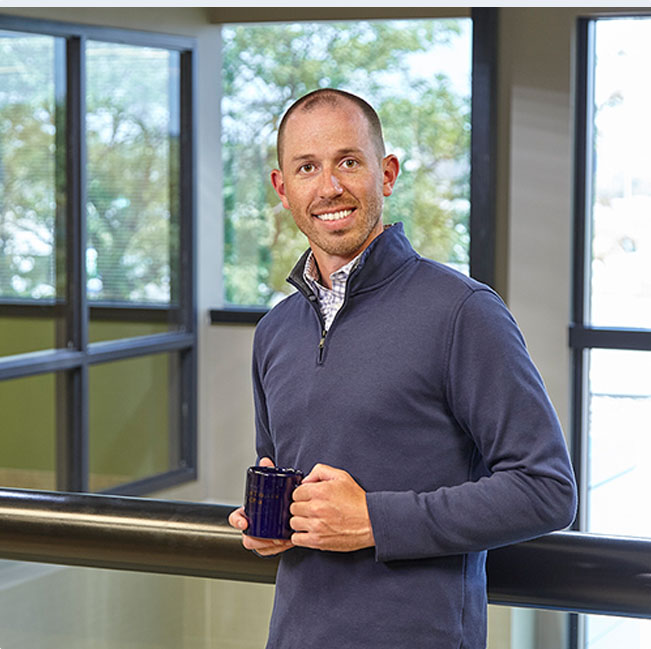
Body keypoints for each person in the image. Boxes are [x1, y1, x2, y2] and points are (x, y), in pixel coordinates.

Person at [228, 88, 577, 649]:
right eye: (307, 168)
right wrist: (272, 525)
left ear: (385, 174)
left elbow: (546, 490)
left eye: (348, 162)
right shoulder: (274, 333)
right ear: (283, 189)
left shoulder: (463, 313)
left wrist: (374, 519)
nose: (330, 186)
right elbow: (286, 478)